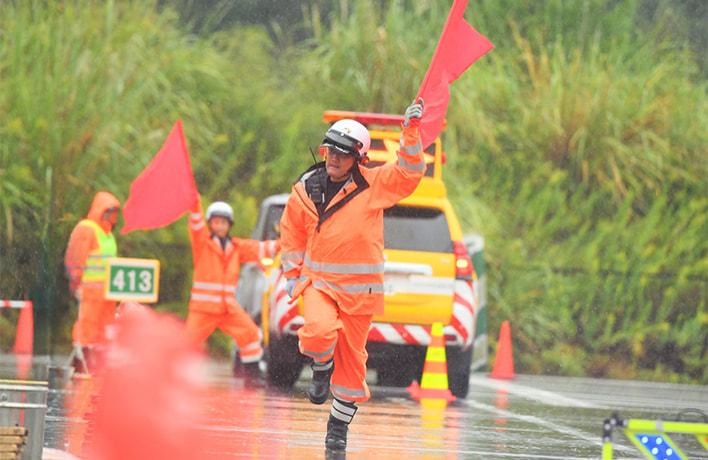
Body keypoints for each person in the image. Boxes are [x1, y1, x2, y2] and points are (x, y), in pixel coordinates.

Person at [279, 98, 425, 451]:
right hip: (319, 285)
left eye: (343, 154)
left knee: (352, 370)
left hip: (361, 295)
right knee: (317, 333)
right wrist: (293, 275)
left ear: (359, 158)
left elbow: (408, 173)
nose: (334, 159)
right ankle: (320, 365)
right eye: (330, 151)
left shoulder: (373, 185)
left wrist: (411, 132)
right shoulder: (305, 189)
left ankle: (337, 429)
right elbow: (292, 231)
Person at [184, 197, 279, 386]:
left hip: (228, 308)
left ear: (229, 225)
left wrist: (289, 242)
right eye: (216, 222)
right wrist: (194, 202)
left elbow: (262, 249)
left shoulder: (236, 247)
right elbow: (195, 223)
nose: (219, 226)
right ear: (210, 224)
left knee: (251, 333)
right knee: (186, 344)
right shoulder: (203, 243)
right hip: (203, 309)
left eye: (223, 222)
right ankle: (173, 377)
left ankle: (252, 376)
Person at [65, 191, 121, 374]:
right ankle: (82, 359)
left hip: (108, 292)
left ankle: (98, 363)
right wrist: (75, 281)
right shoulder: (87, 228)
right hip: (90, 288)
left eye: (113, 212)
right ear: (99, 210)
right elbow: (76, 256)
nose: (110, 216)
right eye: (108, 211)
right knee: (87, 324)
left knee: (105, 327)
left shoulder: (109, 235)